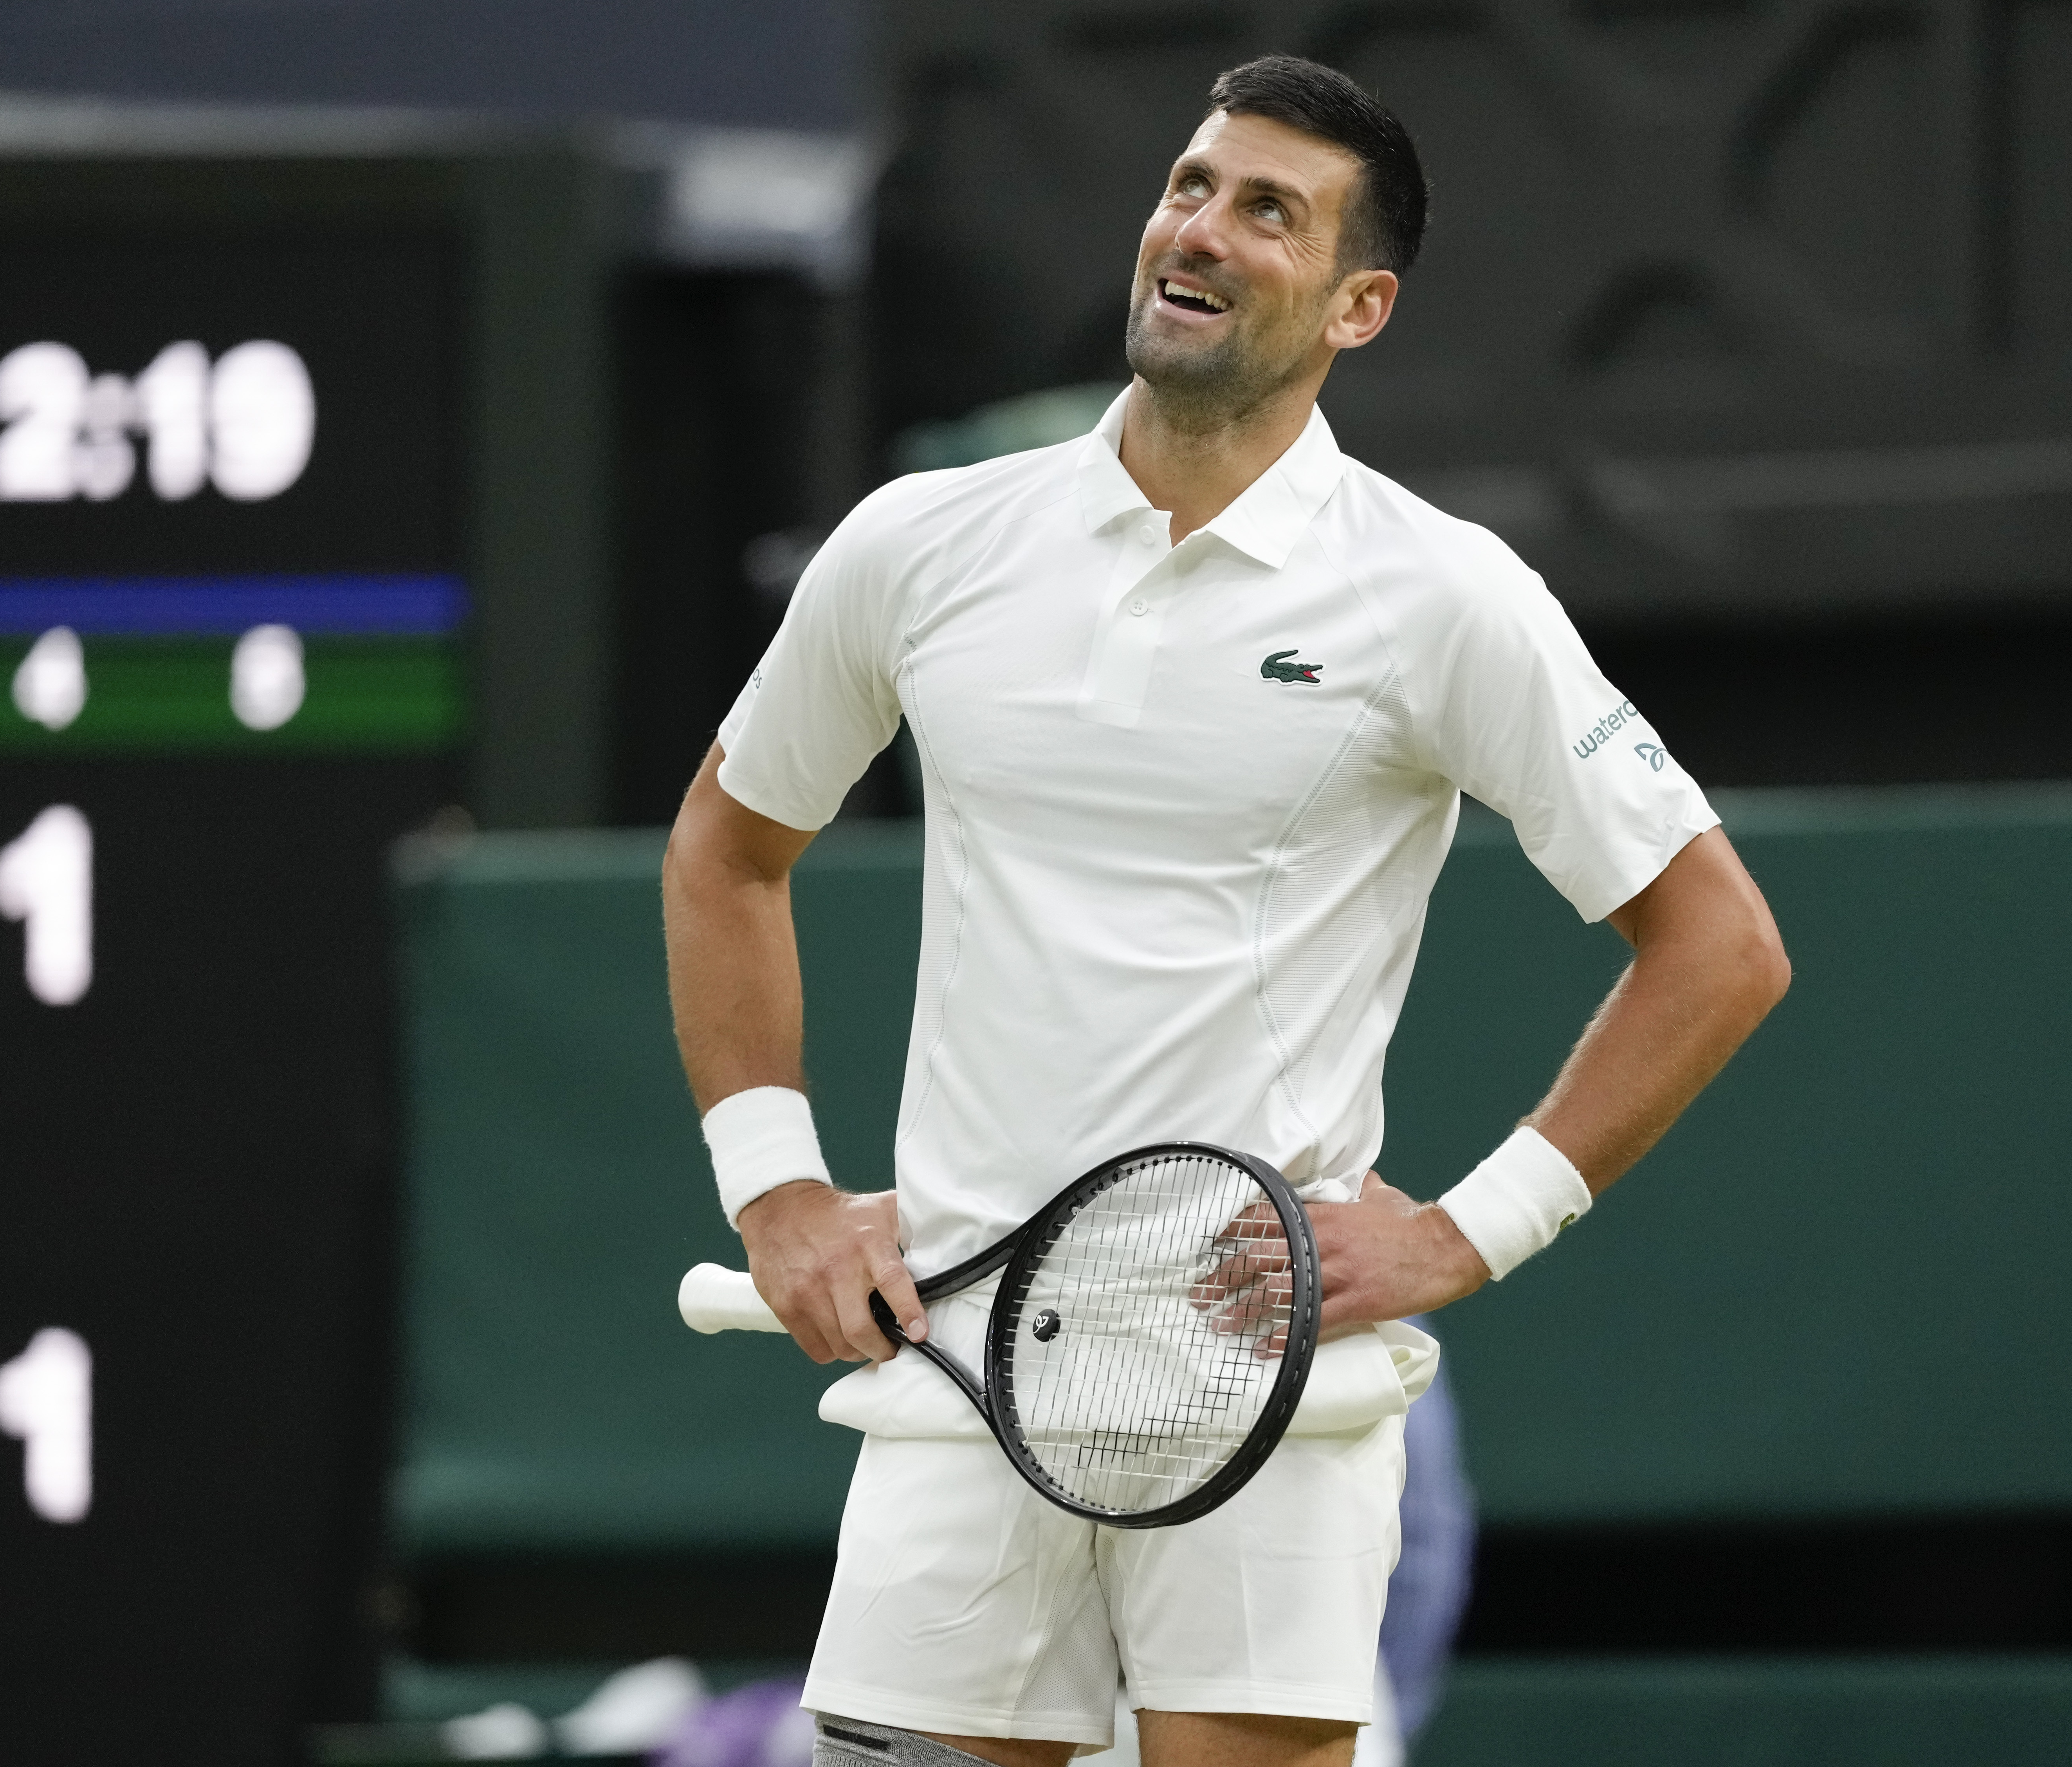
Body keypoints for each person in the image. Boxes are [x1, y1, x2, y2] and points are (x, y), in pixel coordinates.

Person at [660, 54, 1788, 1767]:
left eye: (1268, 210)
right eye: (1191, 186)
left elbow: (1719, 944)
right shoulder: (919, 544)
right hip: (963, 1380)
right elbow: (726, 849)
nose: (1199, 229)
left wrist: (1466, 1232)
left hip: (1259, 1389)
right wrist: (777, 1189)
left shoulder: (1441, 595)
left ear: (1358, 305)